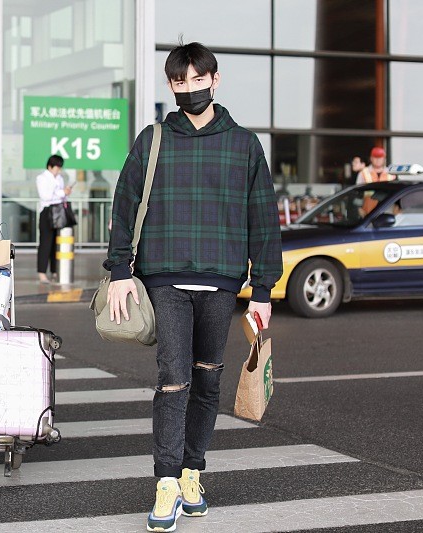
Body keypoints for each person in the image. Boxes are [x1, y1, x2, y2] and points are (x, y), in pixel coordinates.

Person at [104, 41, 282, 532]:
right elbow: (125, 204)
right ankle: (165, 480)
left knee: (207, 379)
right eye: (180, 82)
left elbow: (263, 219)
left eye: (197, 80)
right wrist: (120, 270)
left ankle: (191, 470)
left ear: (215, 79)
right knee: (173, 377)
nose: (190, 89)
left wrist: (263, 291)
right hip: (164, 278)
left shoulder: (244, 144)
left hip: (221, 281)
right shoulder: (154, 138)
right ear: (171, 85)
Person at [35, 154, 72, 283]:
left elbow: (59, 196)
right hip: (47, 212)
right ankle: (42, 273)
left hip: (59, 211)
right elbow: (45, 196)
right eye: (57, 167)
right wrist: (61, 192)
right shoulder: (42, 178)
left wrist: (63, 193)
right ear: (50, 166)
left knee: (57, 243)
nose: (59, 170)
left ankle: (55, 271)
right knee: (45, 243)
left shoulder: (60, 178)